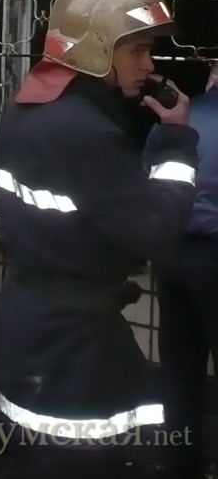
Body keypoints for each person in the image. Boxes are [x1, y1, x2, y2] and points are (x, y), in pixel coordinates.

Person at [0, 0, 199, 478]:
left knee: (30, 456)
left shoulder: (27, 110)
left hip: (33, 322)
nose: (150, 66)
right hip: (75, 345)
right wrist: (176, 140)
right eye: (138, 51)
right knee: (77, 460)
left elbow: (79, 206)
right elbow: (155, 234)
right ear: (98, 50)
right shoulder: (87, 133)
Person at [155, 60, 218, 478]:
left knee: (179, 373)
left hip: (174, 256)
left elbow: (149, 180)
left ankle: (181, 464)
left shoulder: (178, 117)